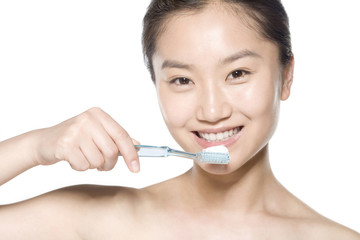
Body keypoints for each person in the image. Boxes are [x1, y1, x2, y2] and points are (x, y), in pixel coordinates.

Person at [0, 0, 359, 238]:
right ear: (156, 84)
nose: (212, 111)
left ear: (287, 75)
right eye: (182, 80)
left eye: (237, 73)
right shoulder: (100, 220)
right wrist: (37, 147)